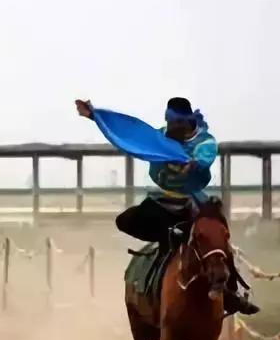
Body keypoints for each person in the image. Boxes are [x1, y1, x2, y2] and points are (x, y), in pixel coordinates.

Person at [75, 97, 259, 316]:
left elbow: (204, 157)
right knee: (125, 221)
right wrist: (95, 115)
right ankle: (168, 244)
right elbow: (129, 135)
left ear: (186, 122)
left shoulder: (204, 142)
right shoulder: (160, 137)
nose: (170, 128)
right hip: (162, 202)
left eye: (175, 124)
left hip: (192, 203)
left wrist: (193, 164)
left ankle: (231, 293)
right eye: (168, 122)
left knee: (217, 239)